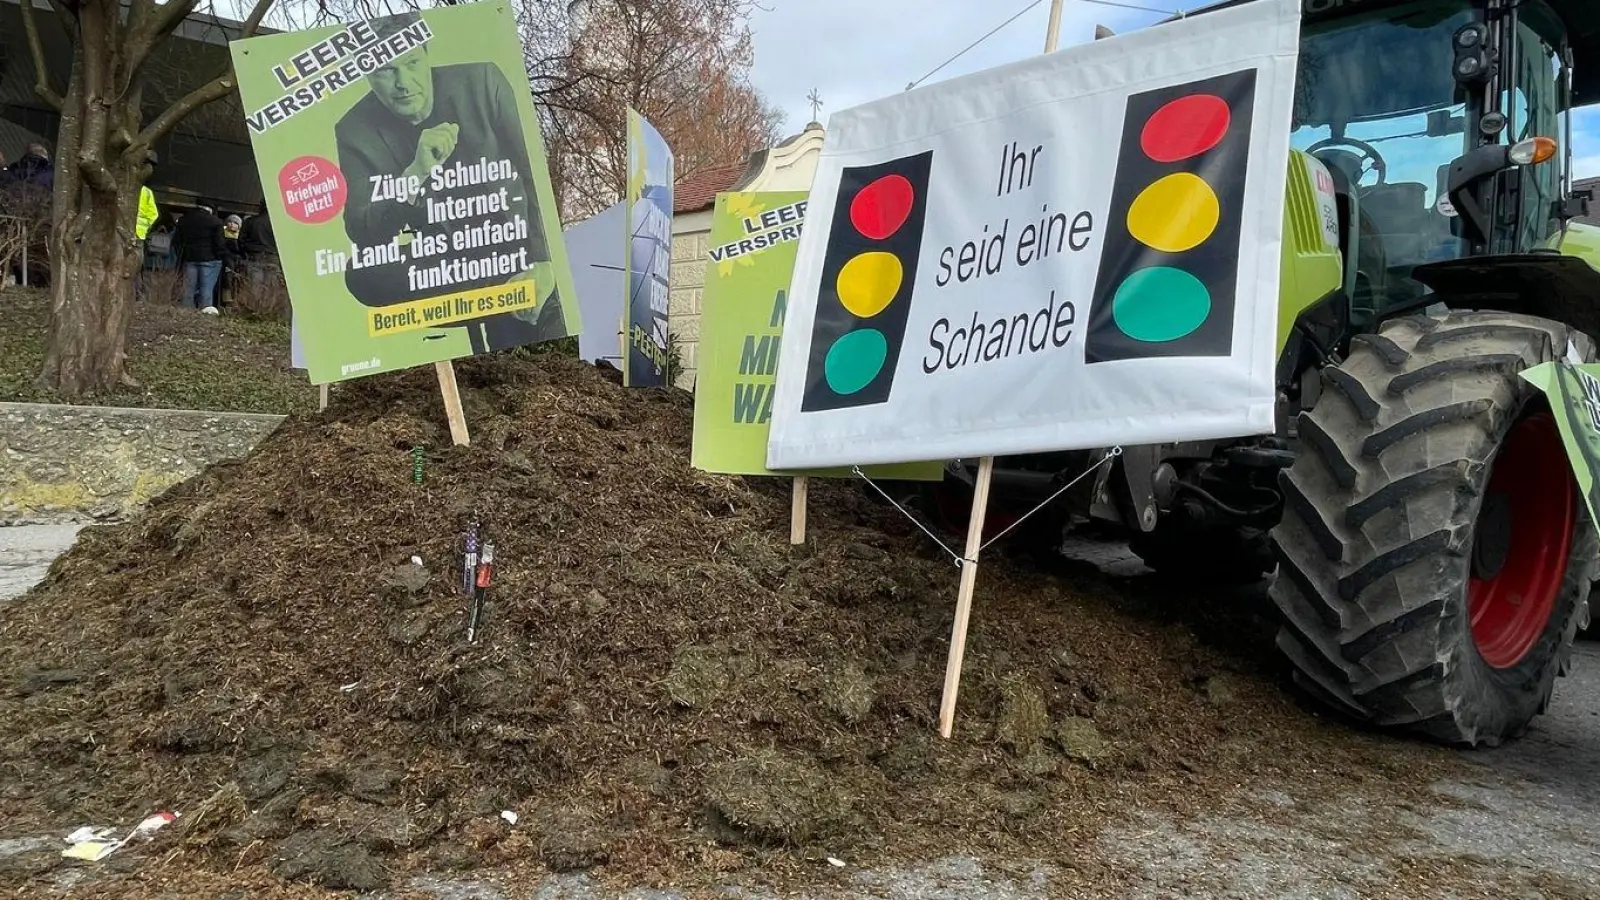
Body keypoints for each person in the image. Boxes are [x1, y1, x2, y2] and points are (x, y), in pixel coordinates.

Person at [332, 10, 566, 355]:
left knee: (534, 333)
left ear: (427, 54)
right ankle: (501, 297)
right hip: (441, 260)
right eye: (385, 70)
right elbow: (361, 228)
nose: (402, 82)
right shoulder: (354, 129)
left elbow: (532, 173)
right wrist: (415, 173)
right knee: (363, 272)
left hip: (507, 242)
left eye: (411, 63)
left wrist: (543, 263)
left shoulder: (482, 82)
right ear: (367, 75)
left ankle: (512, 301)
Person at [174, 203, 225, 314]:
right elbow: (219, 243)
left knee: (188, 289)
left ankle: (186, 313)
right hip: (210, 259)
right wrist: (220, 256)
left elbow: (176, 240)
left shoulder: (184, 220)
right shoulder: (215, 222)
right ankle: (204, 315)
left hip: (190, 258)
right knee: (206, 289)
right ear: (210, 209)